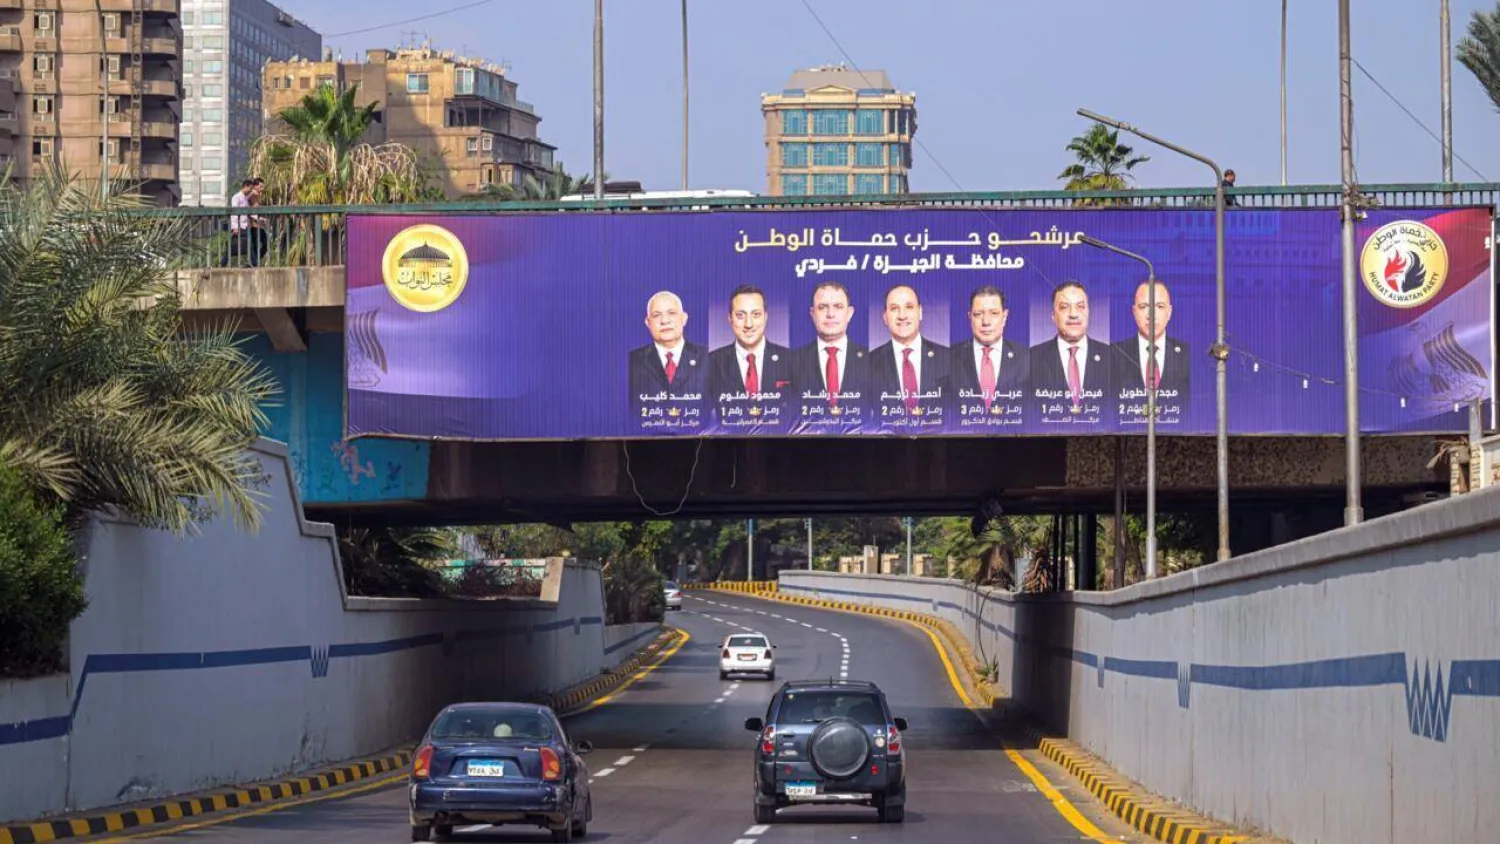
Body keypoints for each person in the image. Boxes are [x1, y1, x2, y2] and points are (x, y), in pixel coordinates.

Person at [707, 285, 792, 427]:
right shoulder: (711, 363)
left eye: (756, 314)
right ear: (729, 318)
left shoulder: (791, 361)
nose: (748, 324)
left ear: (765, 317)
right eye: (740, 315)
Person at [1027, 281, 1111, 420]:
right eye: (1065, 307)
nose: (1073, 314)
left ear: (1088, 312)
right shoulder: (1031, 359)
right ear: (1053, 315)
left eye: (1080, 307)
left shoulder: (1112, 357)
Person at [869, 284, 949, 425]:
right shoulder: (868, 363)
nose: (902, 315)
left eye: (909, 307)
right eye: (894, 309)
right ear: (885, 318)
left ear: (920, 312)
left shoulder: (948, 358)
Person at [790, 281, 868, 424]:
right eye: (822, 307)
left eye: (838, 307)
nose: (830, 314)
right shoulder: (792, 362)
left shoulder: (871, 360)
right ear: (812, 313)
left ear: (849, 314)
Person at [1112, 280, 1191, 413]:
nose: (1151, 315)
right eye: (1143, 307)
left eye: (1159, 306)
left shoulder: (1188, 354)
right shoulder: (1114, 353)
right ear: (1134, 311)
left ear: (1169, 312)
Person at [948, 285, 1028, 415]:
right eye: (978, 314)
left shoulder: (1026, 358)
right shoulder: (949, 358)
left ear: (1005, 316)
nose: (986, 321)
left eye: (994, 313)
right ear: (970, 317)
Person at [628, 291, 706, 402]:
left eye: (672, 313)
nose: (664, 321)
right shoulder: (631, 361)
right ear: (648, 322)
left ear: (684, 318)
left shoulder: (708, 358)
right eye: (656, 315)